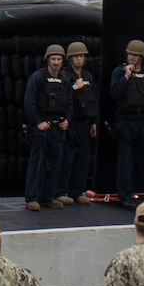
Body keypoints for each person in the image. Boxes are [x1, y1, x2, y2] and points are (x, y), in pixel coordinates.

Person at [108, 40, 144, 210]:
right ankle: (125, 197)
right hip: (126, 122)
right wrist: (126, 77)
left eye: (135, 55)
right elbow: (115, 95)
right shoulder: (119, 72)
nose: (131, 57)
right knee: (125, 161)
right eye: (129, 54)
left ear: (141, 57)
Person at [21, 44, 74, 210]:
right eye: (53, 59)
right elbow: (29, 103)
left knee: (56, 162)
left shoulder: (65, 80)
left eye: (59, 59)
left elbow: (70, 102)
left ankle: (48, 196)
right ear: (48, 60)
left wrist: (67, 120)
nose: (56, 62)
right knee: (37, 163)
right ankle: (32, 198)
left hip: (58, 127)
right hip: (42, 126)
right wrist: (38, 122)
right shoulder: (38, 77)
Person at [64, 40, 102, 204]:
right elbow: (62, 98)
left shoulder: (88, 77)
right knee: (67, 159)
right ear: (71, 58)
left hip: (85, 123)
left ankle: (78, 191)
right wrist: (74, 88)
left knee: (83, 160)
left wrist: (94, 122)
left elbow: (94, 100)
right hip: (71, 123)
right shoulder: (65, 76)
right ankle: (63, 191)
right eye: (76, 56)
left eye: (82, 56)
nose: (79, 59)